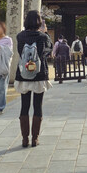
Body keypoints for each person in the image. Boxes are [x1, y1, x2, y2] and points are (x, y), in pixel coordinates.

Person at [15, 10, 53, 148]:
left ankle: (24, 139)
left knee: (24, 106)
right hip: (39, 74)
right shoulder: (42, 37)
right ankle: (35, 138)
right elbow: (48, 51)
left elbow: (20, 52)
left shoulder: (20, 36)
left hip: (23, 74)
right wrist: (46, 33)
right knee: (38, 106)